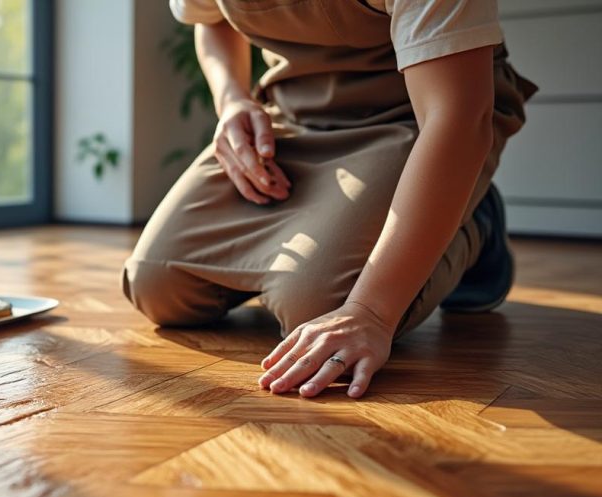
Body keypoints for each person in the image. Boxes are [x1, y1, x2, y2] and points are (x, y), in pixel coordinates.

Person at [122, 0, 538, 399]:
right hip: (293, 115)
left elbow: (457, 118)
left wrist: (370, 312)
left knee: (323, 306)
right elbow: (209, 18)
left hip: (411, 121)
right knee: (156, 284)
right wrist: (233, 99)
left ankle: (474, 219)